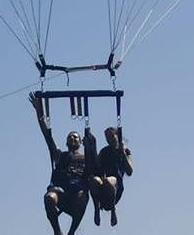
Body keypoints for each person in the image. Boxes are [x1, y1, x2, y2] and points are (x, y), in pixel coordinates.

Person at [30, 93, 97, 235]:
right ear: (67, 142)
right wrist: (39, 112)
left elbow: (96, 168)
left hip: (78, 192)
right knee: (49, 198)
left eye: (75, 137)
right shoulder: (60, 155)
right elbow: (47, 135)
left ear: (80, 142)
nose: (73, 138)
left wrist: (91, 144)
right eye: (70, 137)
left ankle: (71, 232)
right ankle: (57, 231)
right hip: (61, 190)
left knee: (82, 197)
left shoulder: (86, 157)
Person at [89, 126, 133, 227]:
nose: (109, 140)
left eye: (111, 136)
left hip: (116, 184)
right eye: (107, 138)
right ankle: (96, 208)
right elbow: (96, 167)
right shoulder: (104, 151)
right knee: (94, 180)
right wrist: (91, 144)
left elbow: (130, 171)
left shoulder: (126, 151)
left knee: (109, 181)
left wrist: (122, 153)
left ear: (117, 136)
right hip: (102, 181)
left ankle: (113, 210)